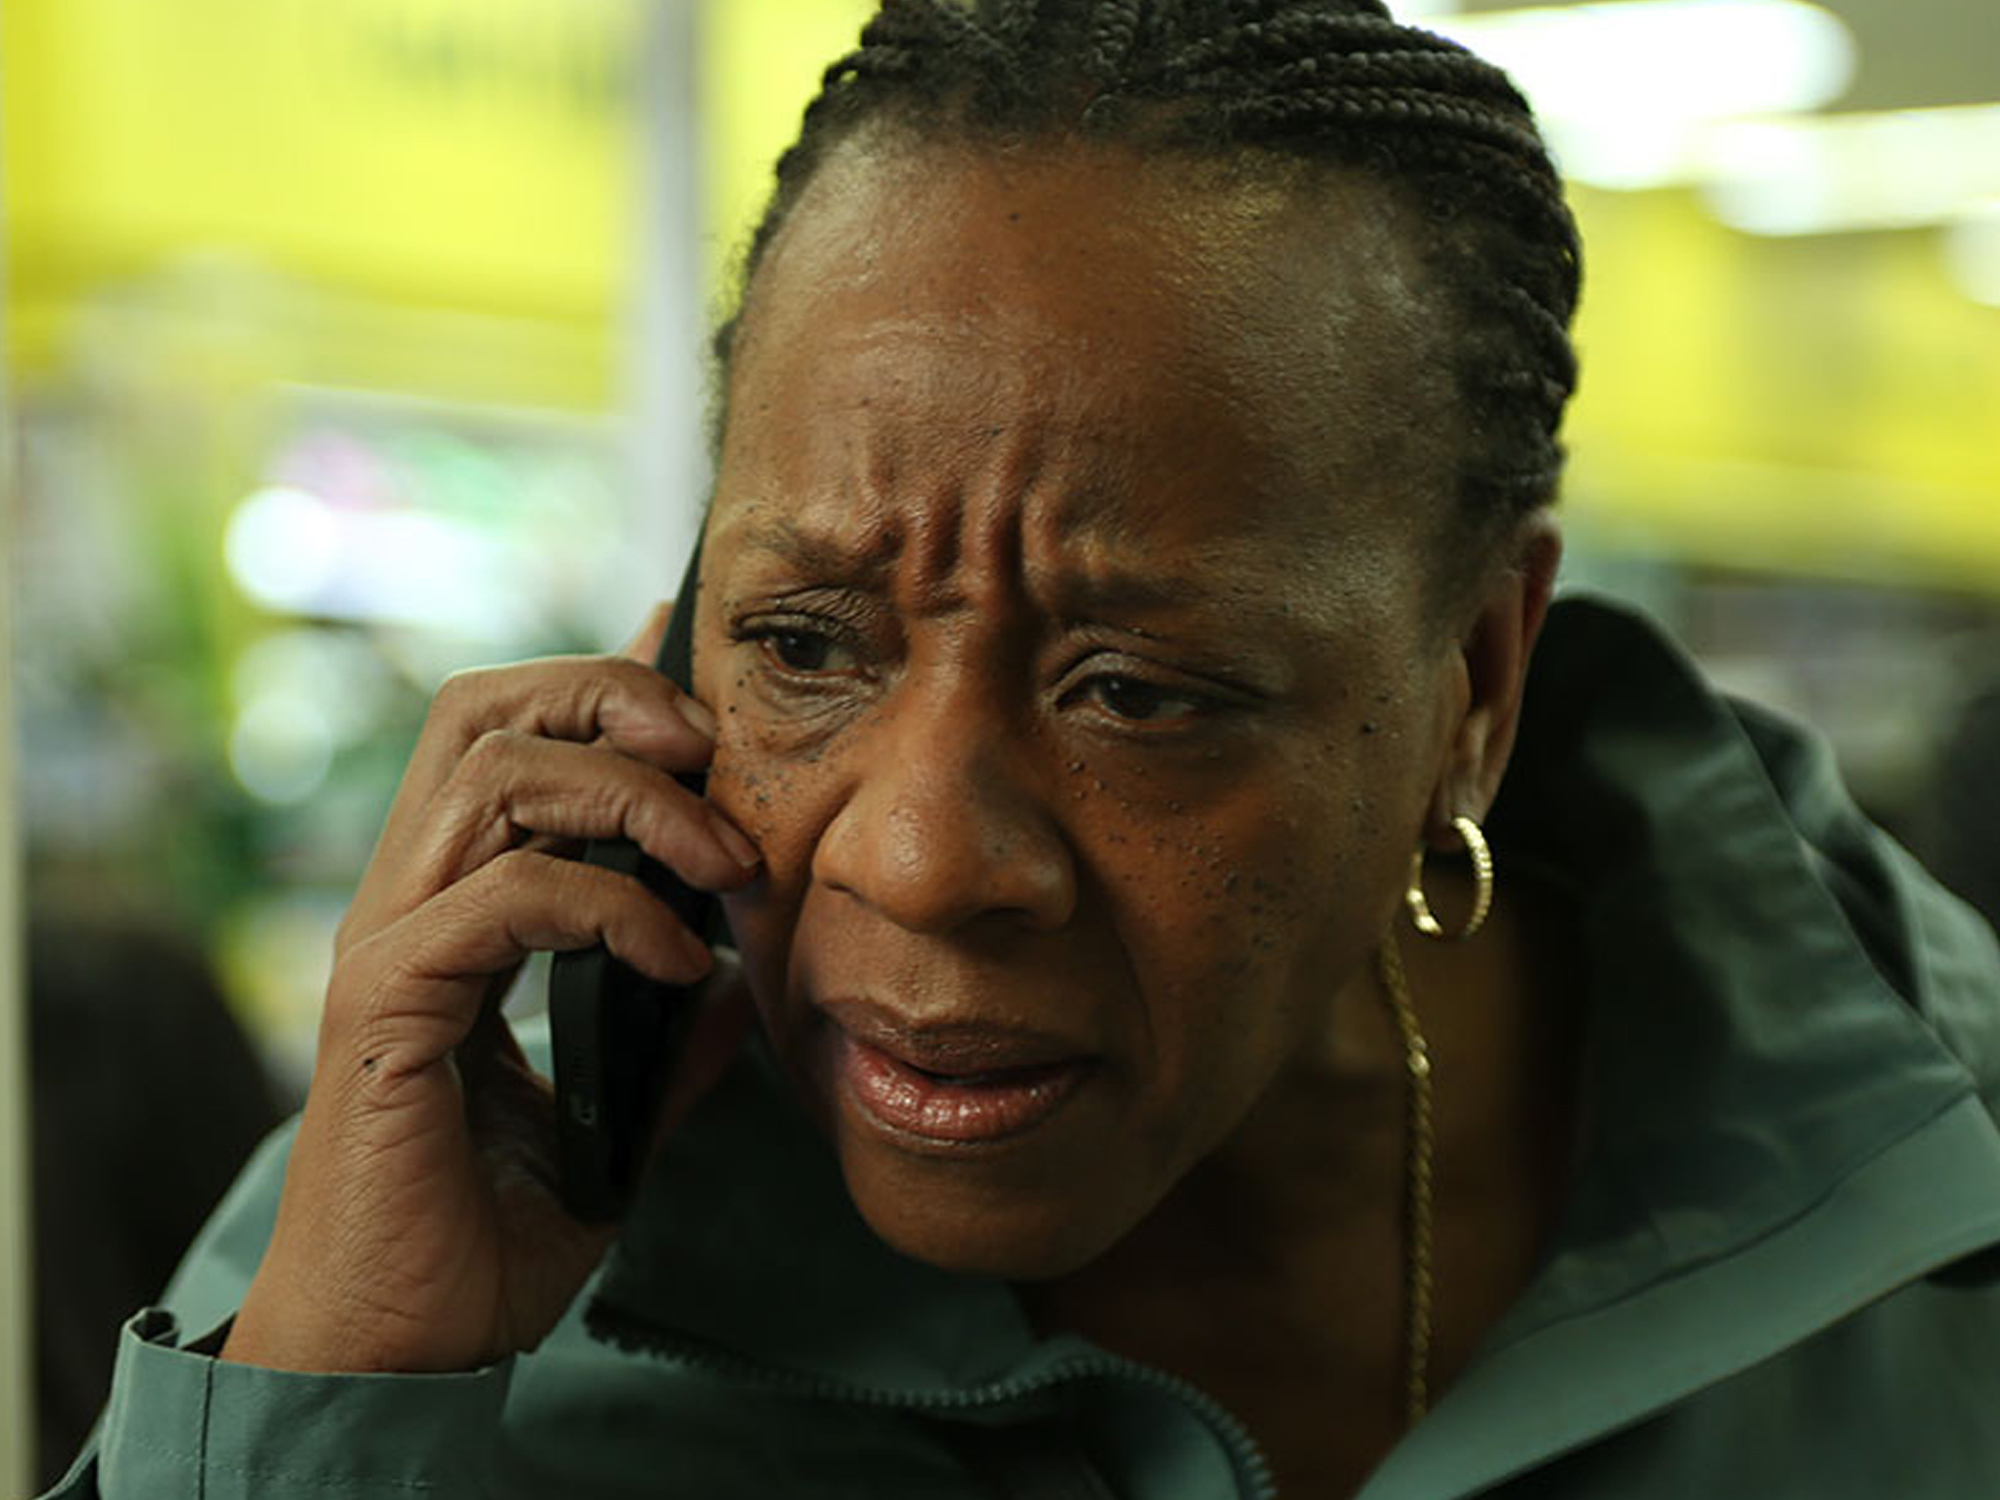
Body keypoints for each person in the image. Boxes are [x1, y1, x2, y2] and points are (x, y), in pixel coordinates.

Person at [42, 2, 2000, 1496]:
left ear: (1471, 686)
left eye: (1138, 691)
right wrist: (345, 1402)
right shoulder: (426, 1217)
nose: (921, 859)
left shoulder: (1928, 1208)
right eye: (804, 645)